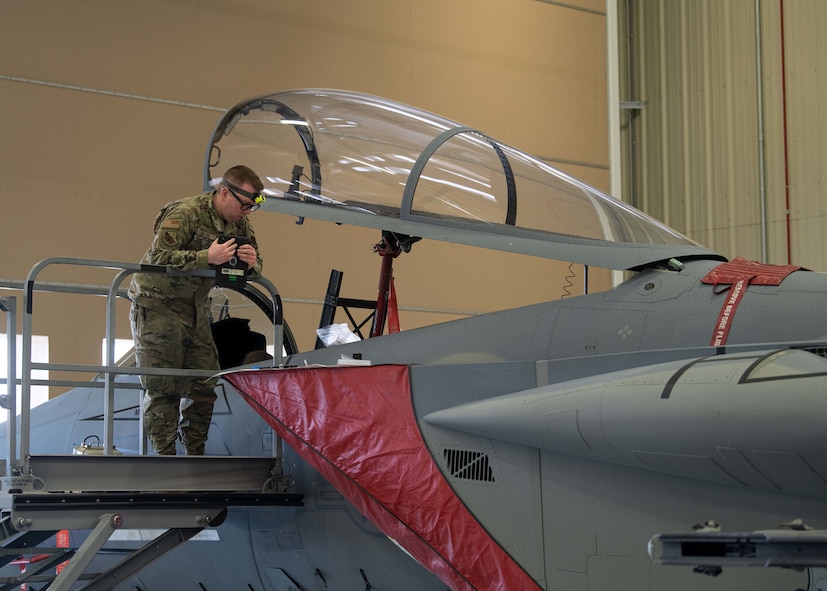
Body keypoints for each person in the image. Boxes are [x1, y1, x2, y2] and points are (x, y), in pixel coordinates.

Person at [128, 165, 265, 455]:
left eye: (254, 207)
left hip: (195, 309)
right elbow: (158, 257)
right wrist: (207, 256)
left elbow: (257, 264)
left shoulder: (240, 223)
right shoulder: (186, 213)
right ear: (225, 192)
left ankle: (194, 456)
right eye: (245, 205)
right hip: (158, 304)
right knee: (164, 387)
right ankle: (165, 461)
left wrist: (252, 264)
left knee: (205, 384)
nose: (248, 212)